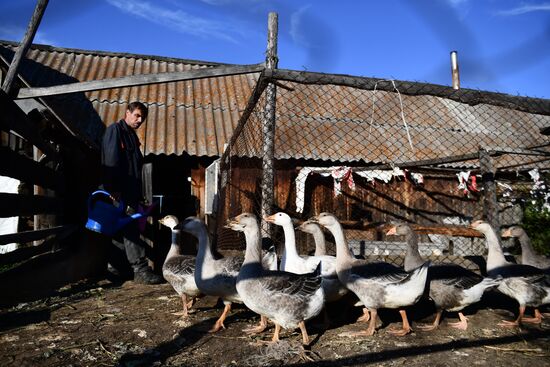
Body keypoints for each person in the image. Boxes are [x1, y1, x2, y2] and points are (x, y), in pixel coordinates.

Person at [101, 101, 163, 284]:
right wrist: (113, 189)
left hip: (130, 192)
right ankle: (141, 270)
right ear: (127, 113)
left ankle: (116, 270)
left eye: (142, 117)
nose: (139, 120)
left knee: (121, 230)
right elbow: (110, 160)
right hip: (119, 192)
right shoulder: (116, 131)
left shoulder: (132, 137)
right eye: (136, 115)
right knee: (131, 227)